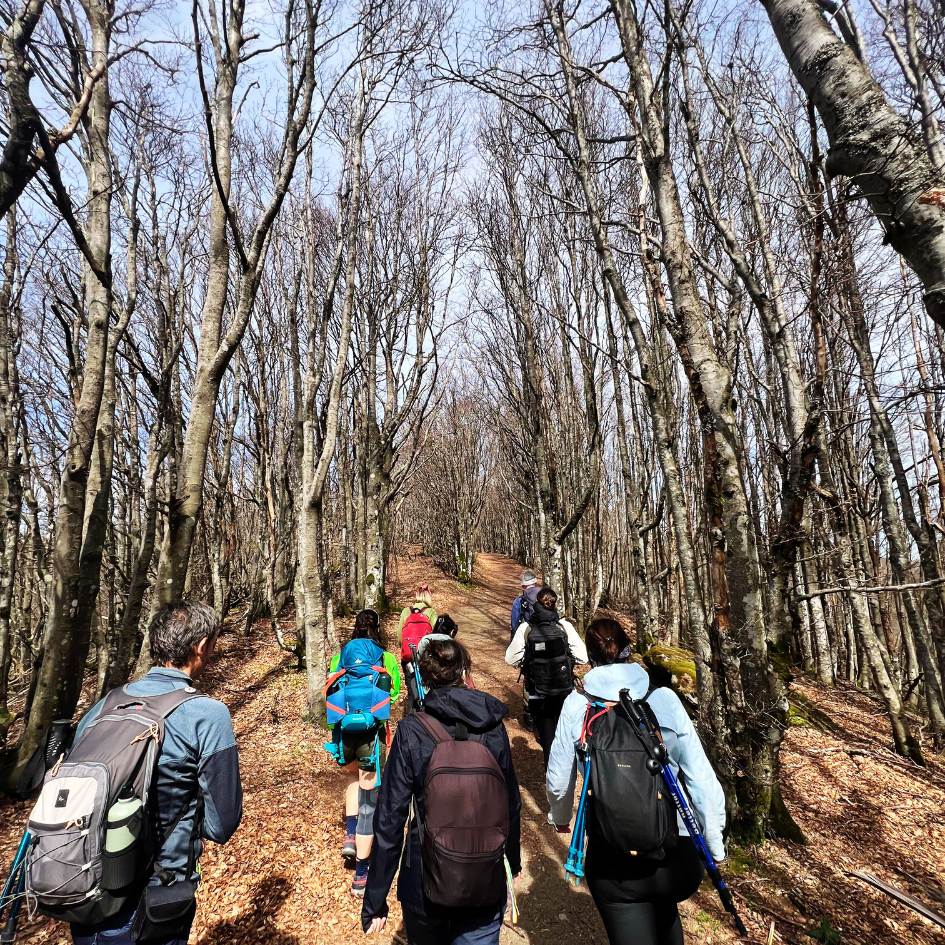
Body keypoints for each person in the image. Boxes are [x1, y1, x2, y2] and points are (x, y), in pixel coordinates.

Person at [70, 602, 243, 945]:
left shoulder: (105, 705)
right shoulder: (207, 714)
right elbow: (221, 825)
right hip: (158, 896)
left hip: (84, 886)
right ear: (201, 645)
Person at [546, 617, 726, 945]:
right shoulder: (664, 700)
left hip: (612, 857)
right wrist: (714, 844)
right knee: (664, 908)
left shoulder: (577, 706)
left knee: (631, 913)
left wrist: (560, 818)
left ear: (590, 656)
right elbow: (700, 776)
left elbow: (559, 779)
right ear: (628, 649)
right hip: (676, 855)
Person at [362, 638, 521, 944]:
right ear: (465, 671)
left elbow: (390, 819)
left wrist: (375, 898)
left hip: (424, 881)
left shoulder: (412, 730)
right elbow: (511, 804)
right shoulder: (493, 728)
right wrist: (511, 863)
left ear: (423, 678)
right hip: (485, 877)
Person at [326, 608, 402, 897]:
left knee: (352, 782)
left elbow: (331, 689)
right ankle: (361, 873)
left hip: (344, 732)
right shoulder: (386, 658)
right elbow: (392, 693)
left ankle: (349, 834)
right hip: (372, 733)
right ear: (378, 627)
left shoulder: (340, 655)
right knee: (369, 794)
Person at [505, 586, 587, 767]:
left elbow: (510, 658)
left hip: (537, 693)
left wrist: (527, 661)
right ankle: (568, 774)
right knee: (565, 735)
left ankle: (552, 776)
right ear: (555, 605)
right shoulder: (564, 626)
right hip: (564, 691)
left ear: (535, 605)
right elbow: (583, 657)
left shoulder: (526, 628)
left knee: (547, 739)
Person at [509, 570, 541, 643]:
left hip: (529, 634)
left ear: (523, 586)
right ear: (535, 583)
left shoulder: (519, 601)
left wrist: (513, 640)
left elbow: (515, 625)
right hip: (548, 635)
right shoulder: (545, 597)